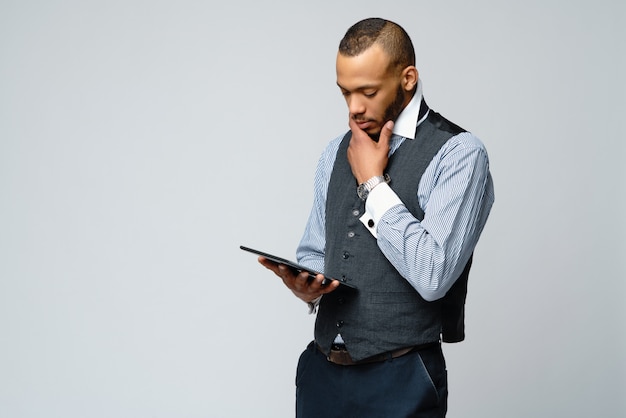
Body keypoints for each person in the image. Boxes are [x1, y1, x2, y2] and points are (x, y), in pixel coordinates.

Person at [259, 17, 494, 417]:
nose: (354, 107)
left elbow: (433, 276)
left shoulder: (460, 153)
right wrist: (308, 285)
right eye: (345, 92)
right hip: (321, 376)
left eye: (367, 92)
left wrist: (373, 184)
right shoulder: (334, 151)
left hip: (400, 380)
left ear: (407, 78)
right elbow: (316, 249)